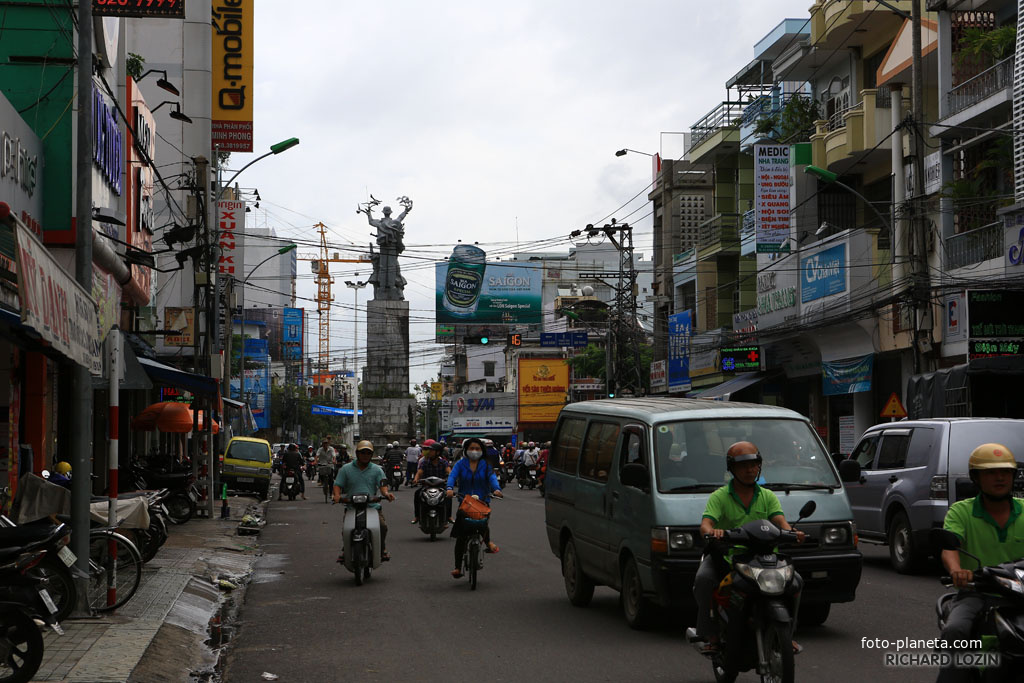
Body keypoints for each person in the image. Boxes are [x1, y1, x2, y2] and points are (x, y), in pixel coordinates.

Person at [694, 441, 805, 654]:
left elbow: (781, 522)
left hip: (763, 558)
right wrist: (711, 531)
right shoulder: (720, 497)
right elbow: (706, 524)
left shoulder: (767, 496)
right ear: (732, 469)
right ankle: (712, 635)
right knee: (704, 580)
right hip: (728, 557)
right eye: (743, 466)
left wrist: (793, 533)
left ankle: (787, 634)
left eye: (754, 465)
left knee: (796, 582)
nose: (749, 470)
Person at [936, 443, 1024, 683]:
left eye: (1005, 472)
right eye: (991, 472)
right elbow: (949, 547)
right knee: (956, 631)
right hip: (976, 593)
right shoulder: (961, 512)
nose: (1000, 477)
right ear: (976, 478)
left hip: (1020, 593)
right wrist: (957, 571)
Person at [446, 437, 502, 578]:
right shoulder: (460, 464)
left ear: (482, 451)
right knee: (461, 536)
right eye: (472, 448)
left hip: (482, 501)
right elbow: (452, 476)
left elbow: (492, 479)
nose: (474, 451)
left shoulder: (486, 466)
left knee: (483, 522)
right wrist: (449, 488)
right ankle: (458, 568)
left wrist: (496, 489)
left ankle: (488, 542)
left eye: (477, 449)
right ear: (466, 450)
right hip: (464, 501)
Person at [333, 440, 395, 562]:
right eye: (363, 453)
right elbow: (337, 484)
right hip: (352, 507)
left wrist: (386, 494)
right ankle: (346, 549)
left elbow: (383, 486)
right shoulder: (346, 469)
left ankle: (382, 549)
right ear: (357, 453)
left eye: (368, 453)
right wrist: (336, 495)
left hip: (372, 507)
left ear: (371, 455)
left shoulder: (377, 470)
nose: (365, 455)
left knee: (382, 526)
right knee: (346, 529)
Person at [411, 440, 453, 524]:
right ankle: (417, 516)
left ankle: (449, 516)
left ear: (437, 453)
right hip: (427, 486)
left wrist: (450, 479)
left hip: (440, 486)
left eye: (431, 451)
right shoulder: (425, 463)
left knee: (448, 496)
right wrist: (416, 479)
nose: (429, 452)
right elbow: (419, 472)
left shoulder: (443, 463)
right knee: (417, 494)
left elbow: (450, 472)